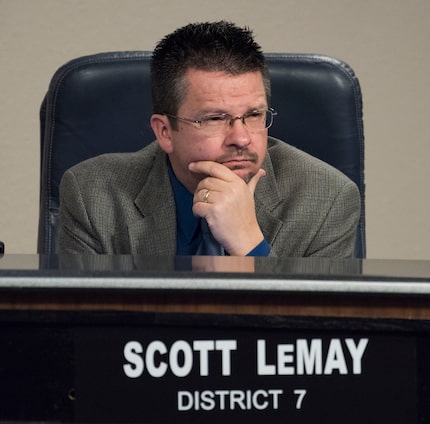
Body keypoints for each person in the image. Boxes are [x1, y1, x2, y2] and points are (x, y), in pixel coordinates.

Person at [59, 21, 360, 257]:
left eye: (254, 115)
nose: (241, 138)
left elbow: (317, 332)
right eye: (216, 118)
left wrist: (250, 246)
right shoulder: (93, 196)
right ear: (164, 132)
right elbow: (83, 328)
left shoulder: (328, 200)